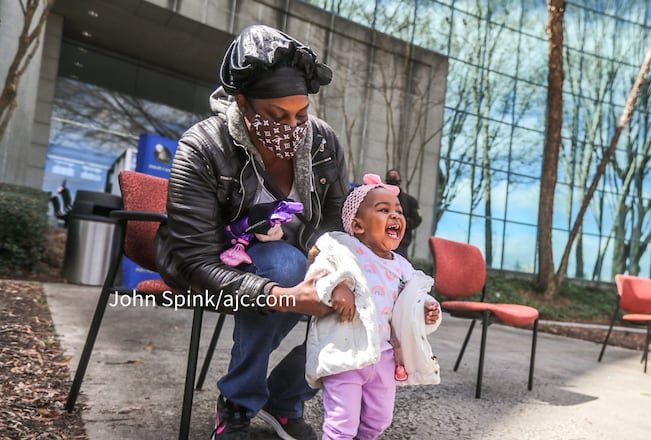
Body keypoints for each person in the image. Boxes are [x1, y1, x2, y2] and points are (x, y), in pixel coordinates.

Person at [154, 24, 351, 440]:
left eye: (301, 114)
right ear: (241, 102)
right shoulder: (202, 147)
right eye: (276, 116)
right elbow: (193, 259)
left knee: (366, 291)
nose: (292, 127)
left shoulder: (323, 143)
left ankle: (285, 397)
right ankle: (238, 401)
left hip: (300, 261)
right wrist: (280, 295)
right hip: (217, 268)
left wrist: (336, 271)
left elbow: (335, 222)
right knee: (283, 265)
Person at [304, 174, 442, 440]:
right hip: (346, 352)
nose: (395, 215)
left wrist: (426, 310)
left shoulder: (402, 267)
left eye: (398, 211)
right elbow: (318, 270)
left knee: (379, 420)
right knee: (341, 422)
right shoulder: (344, 250)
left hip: (384, 357)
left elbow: (413, 299)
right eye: (384, 210)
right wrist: (337, 286)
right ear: (357, 225)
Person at [384, 169, 422, 259]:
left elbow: (417, 219)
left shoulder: (410, 201)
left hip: (401, 244)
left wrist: (401, 222)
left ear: (400, 180)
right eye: (391, 176)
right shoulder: (378, 197)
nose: (393, 178)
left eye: (395, 176)